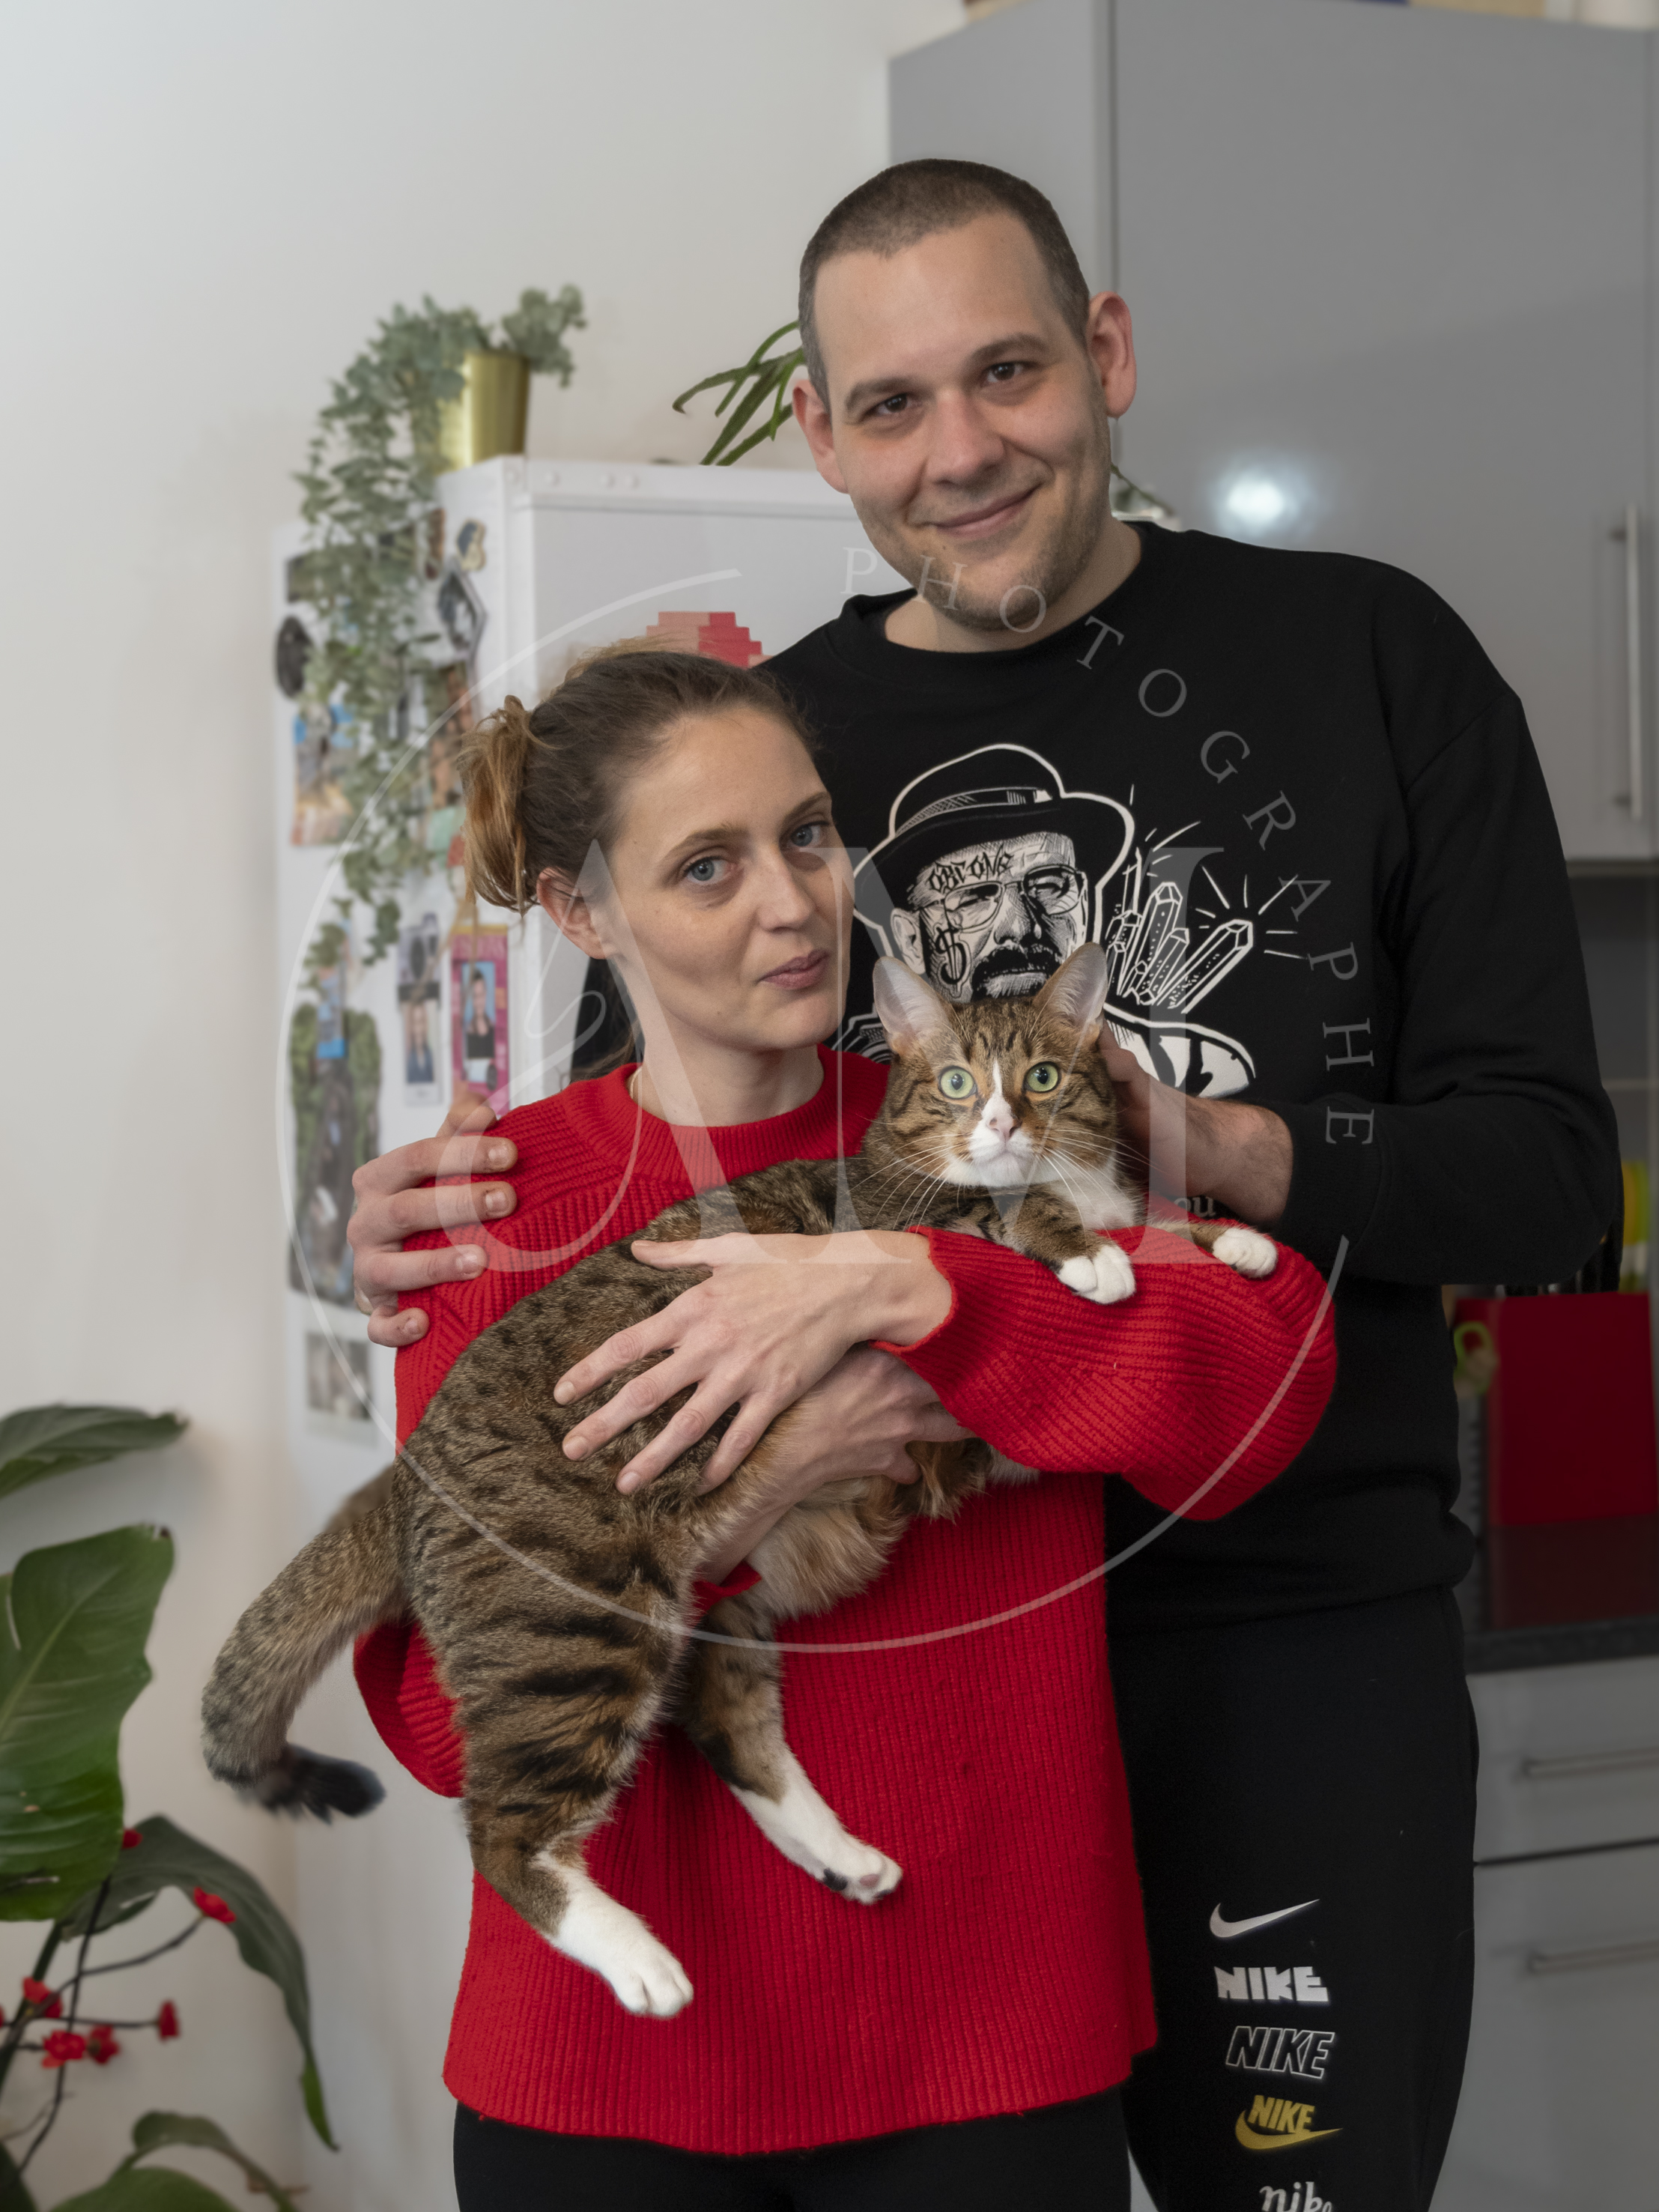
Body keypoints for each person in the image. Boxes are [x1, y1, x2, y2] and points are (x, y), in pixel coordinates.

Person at [348, 163, 1619, 2211]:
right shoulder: (774, 737)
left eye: (1007, 372)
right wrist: (423, 1223)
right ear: (821, 433)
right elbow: (659, 1191)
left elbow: (1555, 1183)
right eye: (892, 403)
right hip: (929, 1651)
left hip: (1281, 1645)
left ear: (1104, 355)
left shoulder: (1371, 658)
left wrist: (1178, 1143)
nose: (959, 452)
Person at [354, 644, 1335, 2209]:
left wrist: (918, 1287)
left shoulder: (1000, 1120)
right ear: (580, 913)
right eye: (707, 865)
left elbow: (1261, 1390)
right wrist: (757, 1492)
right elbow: (438, 1718)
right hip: (612, 2081)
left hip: (984, 2044)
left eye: (808, 834)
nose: (793, 903)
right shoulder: (485, 1214)